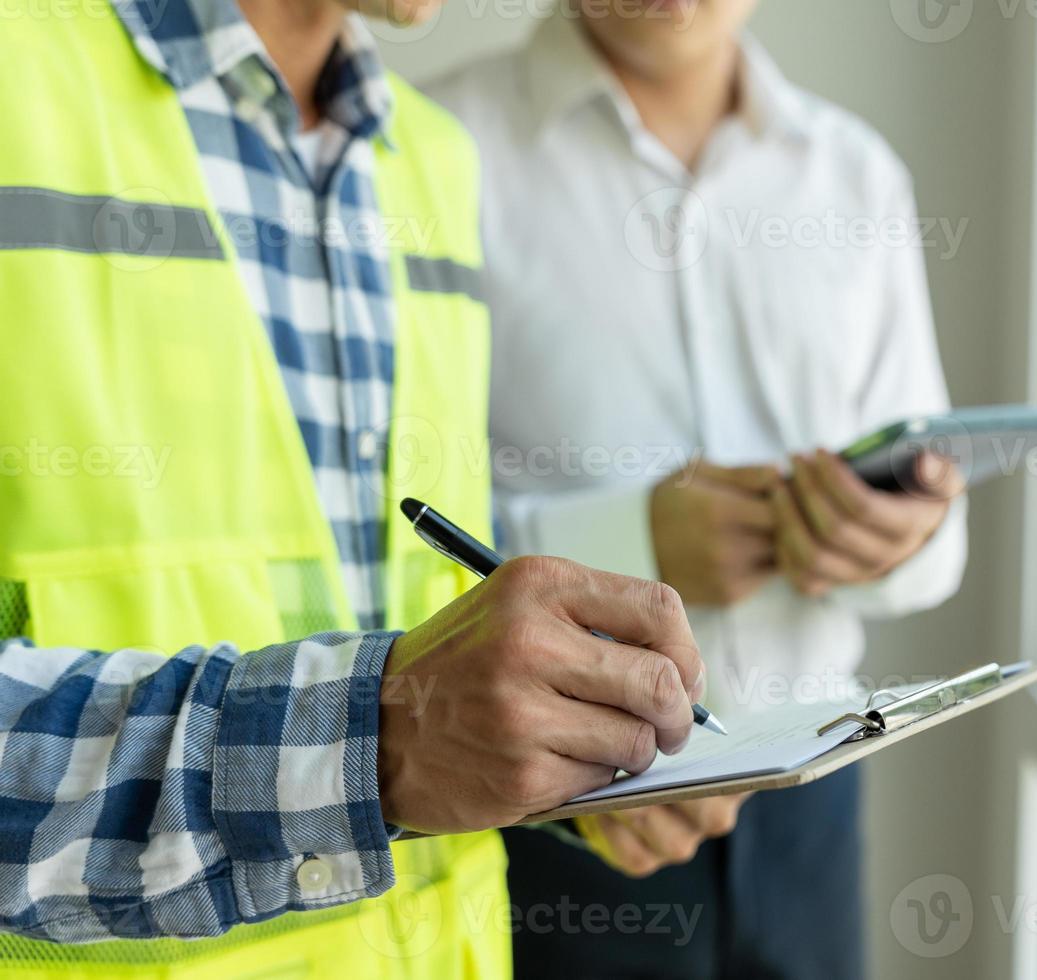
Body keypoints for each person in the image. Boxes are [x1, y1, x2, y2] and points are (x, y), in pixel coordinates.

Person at [0, 0, 728, 975]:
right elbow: (384, 715)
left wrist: (562, 740)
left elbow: (405, 605)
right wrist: (372, 738)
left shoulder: (429, 157)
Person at [428, 2, 968, 976]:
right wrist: (634, 542)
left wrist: (896, 538)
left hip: (815, 796)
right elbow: (387, 530)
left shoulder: (857, 174)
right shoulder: (435, 152)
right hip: (564, 806)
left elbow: (936, 544)